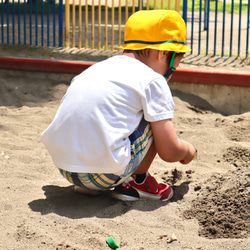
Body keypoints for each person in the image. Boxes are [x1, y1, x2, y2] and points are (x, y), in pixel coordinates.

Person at [41, 9, 197, 202]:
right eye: (174, 66)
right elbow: (169, 151)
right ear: (164, 53)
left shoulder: (96, 69)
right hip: (104, 174)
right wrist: (189, 151)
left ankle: (90, 186)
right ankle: (138, 182)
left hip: (66, 168)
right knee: (154, 118)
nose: (171, 74)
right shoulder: (153, 80)